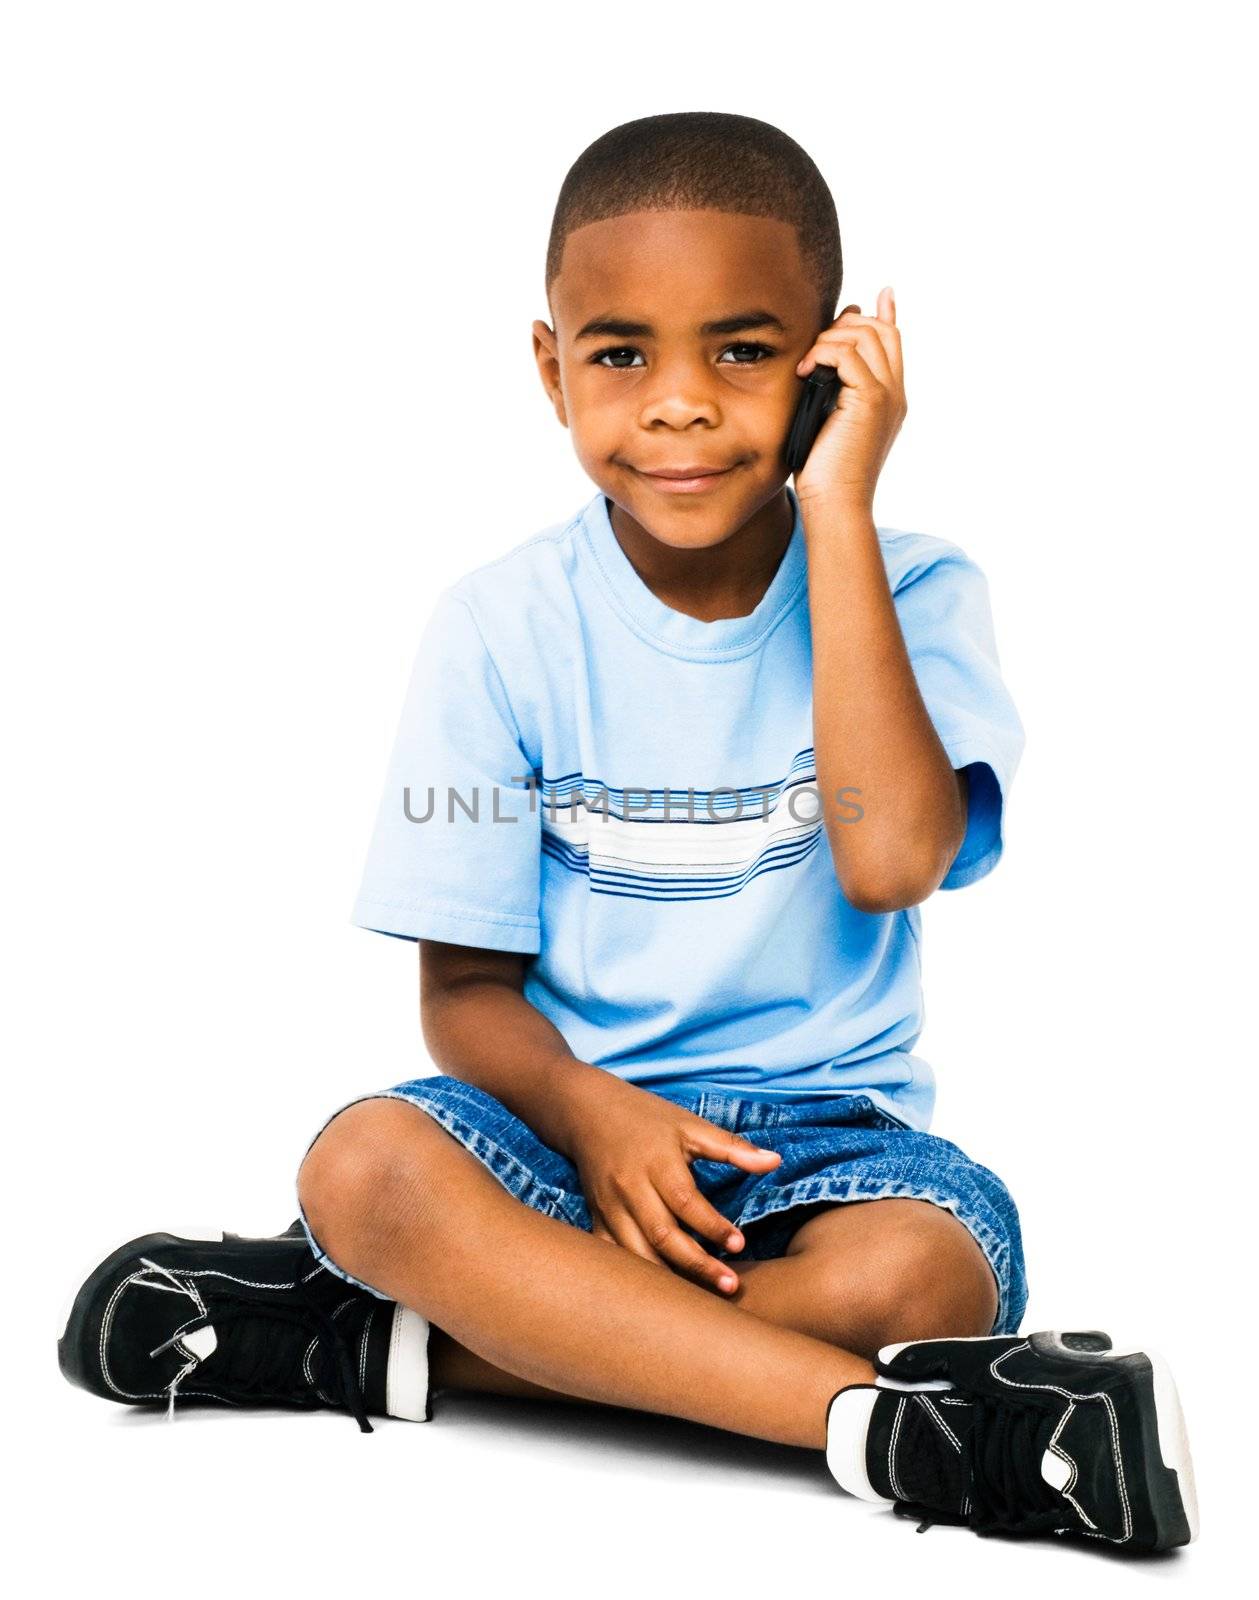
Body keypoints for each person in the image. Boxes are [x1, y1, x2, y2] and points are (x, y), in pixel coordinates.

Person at [58, 111, 1198, 1554]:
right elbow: (463, 994)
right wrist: (592, 1121)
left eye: (741, 351)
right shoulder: (495, 629)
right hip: (555, 1131)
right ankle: (889, 1428)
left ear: (829, 364)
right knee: (363, 1173)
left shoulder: (916, 591)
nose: (677, 406)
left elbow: (892, 861)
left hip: (821, 1158)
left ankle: (386, 1344)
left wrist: (838, 505)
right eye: (620, 355)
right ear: (551, 369)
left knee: (928, 1285)